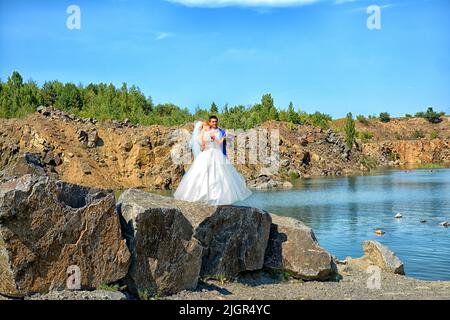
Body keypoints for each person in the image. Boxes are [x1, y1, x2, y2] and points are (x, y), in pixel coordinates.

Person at [173, 115, 252, 205]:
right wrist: (221, 138)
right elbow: (210, 144)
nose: (214, 123)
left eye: (215, 121)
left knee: (219, 176)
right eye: (212, 122)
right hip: (209, 154)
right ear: (209, 123)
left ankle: (218, 196)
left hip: (216, 153)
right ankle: (205, 195)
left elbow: (227, 139)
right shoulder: (208, 132)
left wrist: (227, 137)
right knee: (205, 174)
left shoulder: (218, 131)